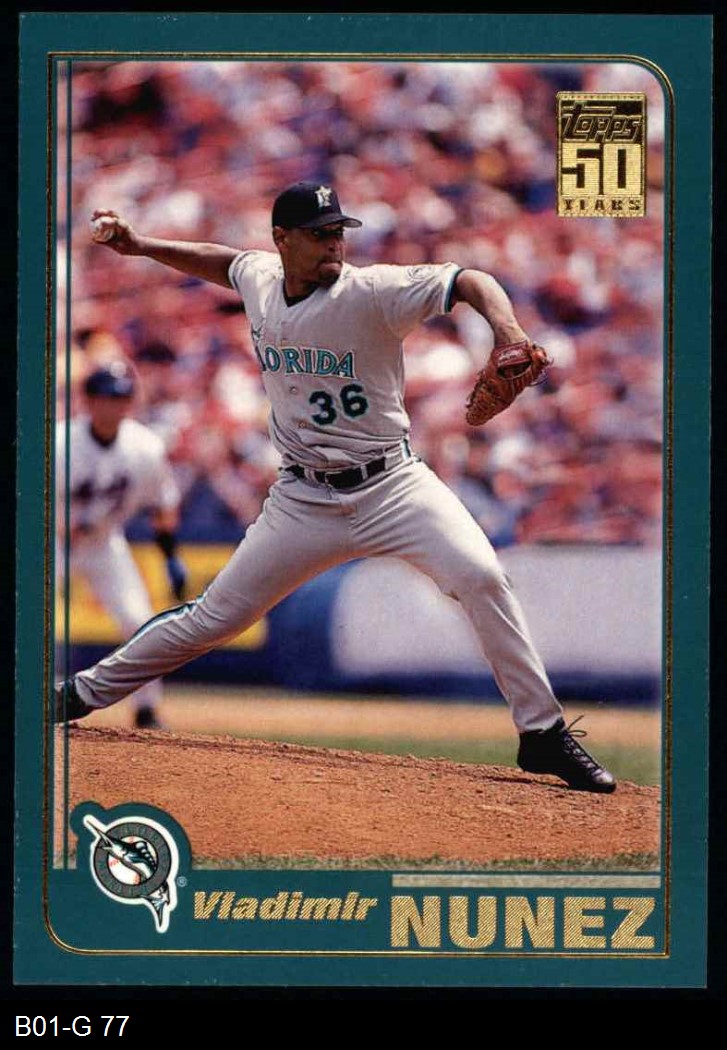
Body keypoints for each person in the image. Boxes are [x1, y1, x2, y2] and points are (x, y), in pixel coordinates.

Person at [56, 181, 615, 792]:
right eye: (320, 234)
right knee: (212, 620)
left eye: (338, 232)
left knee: (482, 576)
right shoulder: (261, 279)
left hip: (392, 485)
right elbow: (224, 262)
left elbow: (469, 279)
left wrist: (507, 331)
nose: (334, 245)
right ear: (282, 240)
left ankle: (542, 732)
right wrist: (141, 245)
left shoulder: (371, 291)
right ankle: (78, 694)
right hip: (302, 500)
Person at [56, 361, 187, 729]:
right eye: (106, 397)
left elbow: (162, 505)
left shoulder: (144, 447)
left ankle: (147, 710)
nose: (114, 405)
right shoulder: (59, 444)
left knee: (139, 621)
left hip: (103, 543)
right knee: (30, 620)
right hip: (48, 542)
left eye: (121, 397)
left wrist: (171, 557)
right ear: (88, 400)